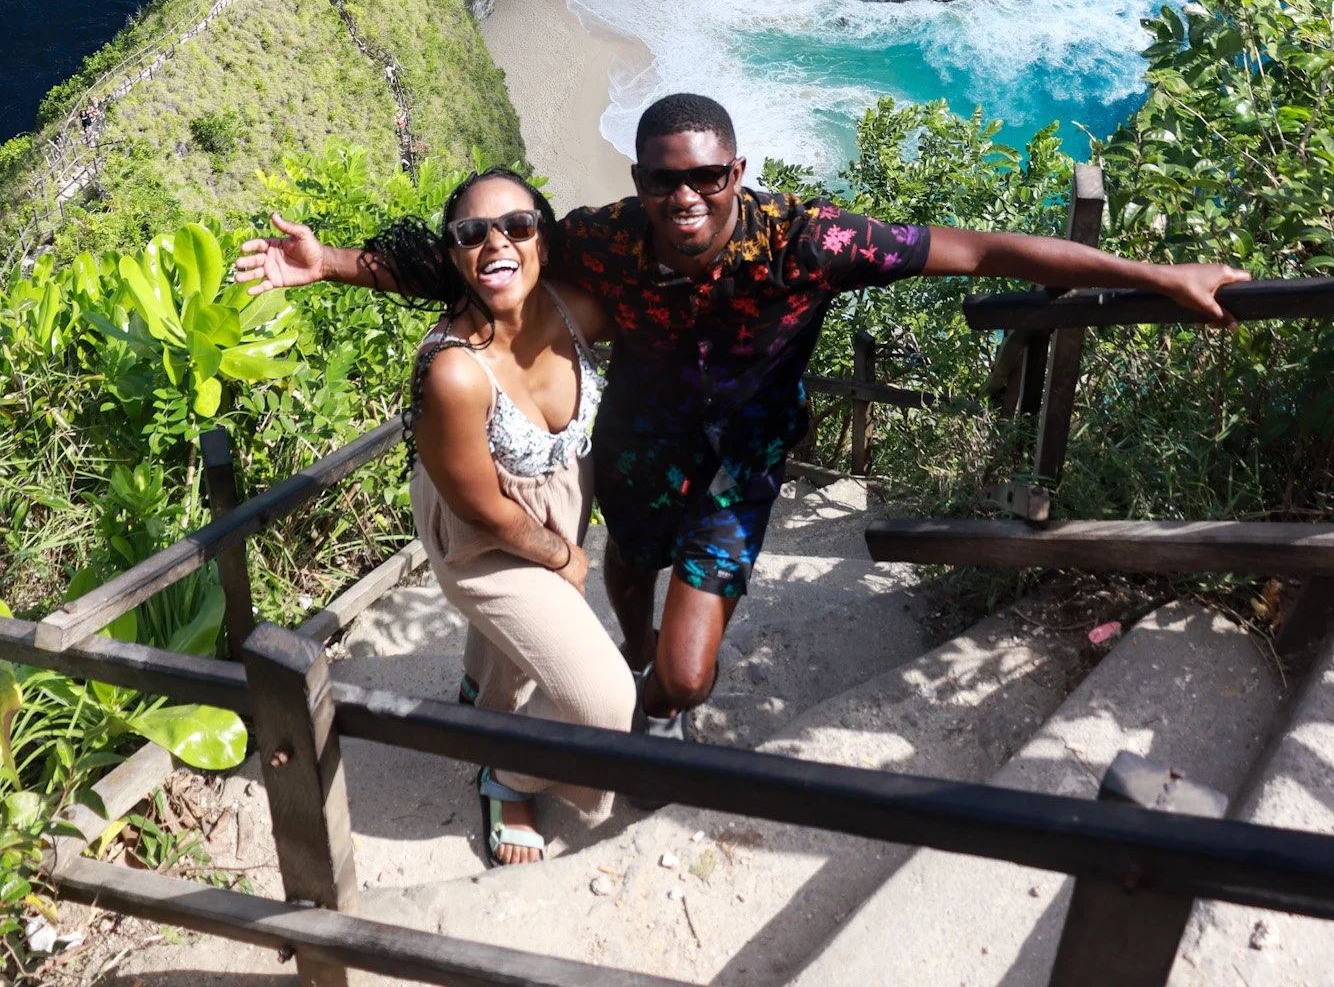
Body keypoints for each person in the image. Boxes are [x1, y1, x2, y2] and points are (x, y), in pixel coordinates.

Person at [239, 92, 1247, 749]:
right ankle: (622, 682)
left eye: (706, 175)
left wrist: (1158, 274)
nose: (685, 194)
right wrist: (329, 263)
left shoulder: (812, 240)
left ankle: (657, 697)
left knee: (689, 670)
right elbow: (478, 257)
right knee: (627, 582)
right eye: (663, 176)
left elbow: (982, 251)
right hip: (636, 443)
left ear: (738, 170)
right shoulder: (609, 236)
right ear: (637, 179)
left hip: (741, 463)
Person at [236, 166, 636, 869]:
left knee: (520, 649)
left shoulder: (580, 309)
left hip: (562, 497)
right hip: (482, 533)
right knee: (604, 701)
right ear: (454, 253)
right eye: (471, 234)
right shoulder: (452, 371)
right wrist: (563, 557)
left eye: (516, 225)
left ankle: (481, 698)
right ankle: (507, 774)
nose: (496, 243)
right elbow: (482, 511)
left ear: (544, 237)